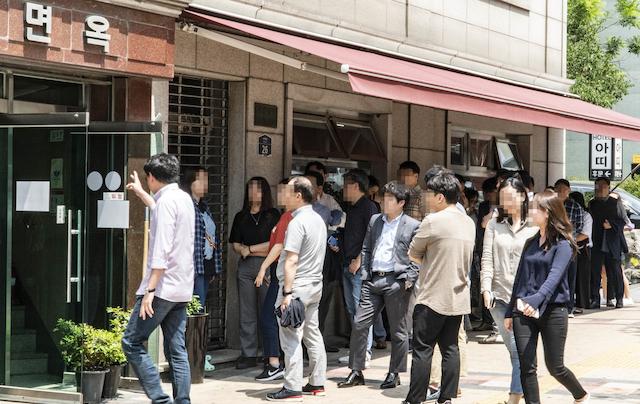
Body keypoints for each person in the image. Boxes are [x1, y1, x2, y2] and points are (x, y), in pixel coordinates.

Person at [121, 153, 195, 404]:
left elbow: (161, 249)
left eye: (147, 179)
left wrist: (149, 291)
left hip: (161, 289)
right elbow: (161, 212)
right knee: (177, 350)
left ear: (152, 177)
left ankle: (160, 399)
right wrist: (143, 194)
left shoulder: (166, 203)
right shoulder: (183, 199)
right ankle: (182, 401)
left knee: (131, 342)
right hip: (182, 288)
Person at [505, 190, 589, 404]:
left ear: (548, 213)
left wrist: (535, 300)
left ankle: (580, 394)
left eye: (535, 208)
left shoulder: (564, 244)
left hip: (553, 310)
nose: (530, 211)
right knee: (526, 365)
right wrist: (510, 310)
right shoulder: (530, 243)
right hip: (523, 310)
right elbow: (519, 278)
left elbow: (554, 278)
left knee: (555, 366)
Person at [337, 181, 420, 390]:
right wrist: (365, 272)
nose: (384, 201)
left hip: (396, 281)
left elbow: (418, 257)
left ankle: (395, 372)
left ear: (401, 203)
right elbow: (366, 247)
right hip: (372, 279)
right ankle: (356, 370)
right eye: (384, 197)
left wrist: (408, 279)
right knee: (359, 323)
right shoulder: (376, 220)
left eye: (390, 199)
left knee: (398, 330)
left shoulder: (412, 225)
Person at [403, 168, 476, 404]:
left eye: (429, 194)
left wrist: (430, 259)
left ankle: (415, 399)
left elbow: (413, 254)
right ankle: (446, 398)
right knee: (450, 348)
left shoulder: (432, 221)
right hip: (458, 297)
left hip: (432, 295)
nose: (425, 198)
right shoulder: (469, 222)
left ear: (440, 197)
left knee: (423, 350)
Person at [266, 177, 328, 401]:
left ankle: (292, 387)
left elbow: (291, 260)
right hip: (314, 286)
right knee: (312, 333)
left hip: (297, 288)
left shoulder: (297, 222)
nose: (283, 196)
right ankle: (317, 382)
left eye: (287, 192)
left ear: (298, 196)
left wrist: (287, 293)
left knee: (291, 338)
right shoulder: (318, 220)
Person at [481, 177, 538, 404]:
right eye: (502, 197)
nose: (505, 201)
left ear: (523, 196)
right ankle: (526, 388)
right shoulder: (495, 224)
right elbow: (487, 257)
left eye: (510, 196)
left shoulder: (534, 224)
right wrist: (485, 287)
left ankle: (514, 398)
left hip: (524, 299)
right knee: (515, 351)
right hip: (499, 297)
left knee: (519, 352)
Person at [230, 177, 281, 369]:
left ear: (265, 192)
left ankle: (270, 353)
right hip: (245, 268)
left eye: (258, 190)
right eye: (250, 189)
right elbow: (236, 245)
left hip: (266, 266)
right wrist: (246, 250)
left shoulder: (272, 215)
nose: (254, 193)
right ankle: (248, 353)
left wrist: (250, 249)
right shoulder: (240, 216)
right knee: (247, 312)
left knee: (267, 311)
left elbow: (275, 246)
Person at [254, 180, 293, 382]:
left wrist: (262, 268)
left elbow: (278, 246)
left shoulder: (288, 217)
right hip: (278, 270)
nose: (279, 194)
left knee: (269, 317)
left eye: (283, 190)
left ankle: (274, 363)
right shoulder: (284, 216)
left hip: (283, 272)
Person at [341, 169, 379, 361]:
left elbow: (371, 237)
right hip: (347, 264)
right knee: (351, 309)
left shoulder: (368, 207)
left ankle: (364, 351)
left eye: (346, 185)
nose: (343, 189)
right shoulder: (352, 207)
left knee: (360, 310)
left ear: (355, 186)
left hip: (359, 267)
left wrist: (359, 259)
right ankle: (357, 350)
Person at [588, 177, 627, 309]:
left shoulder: (615, 202)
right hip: (597, 240)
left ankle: (619, 298)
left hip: (612, 241)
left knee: (615, 271)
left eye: (603, 186)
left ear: (608, 187)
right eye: (597, 186)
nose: (600, 189)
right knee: (595, 271)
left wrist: (611, 225)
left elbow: (623, 220)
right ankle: (595, 299)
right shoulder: (592, 203)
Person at [554, 179, 585, 316]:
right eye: (558, 189)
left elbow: (580, 225)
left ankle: (569, 307)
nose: (561, 192)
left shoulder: (575, 206)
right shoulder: (551, 205)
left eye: (564, 190)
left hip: (570, 245)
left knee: (570, 277)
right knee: (555, 275)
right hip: (553, 245)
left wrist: (570, 237)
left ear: (569, 191)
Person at [569, 191, 592, 312]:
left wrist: (570, 240)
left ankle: (581, 304)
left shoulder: (586, 215)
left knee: (581, 278)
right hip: (571, 246)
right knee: (572, 277)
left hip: (583, 249)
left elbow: (585, 234)